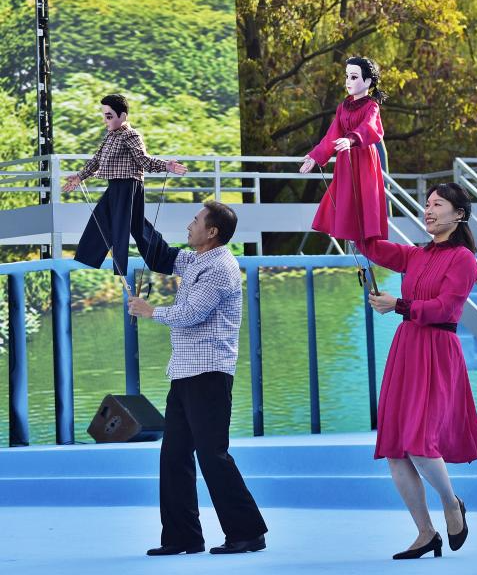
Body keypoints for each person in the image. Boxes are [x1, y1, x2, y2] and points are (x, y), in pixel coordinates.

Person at [354, 183, 477, 560]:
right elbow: (371, 247)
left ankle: (451, 503)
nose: (428, 210)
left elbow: (446, 308)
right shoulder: (415, 254)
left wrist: (398, 304)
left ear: (458, 214)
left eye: (437, 204)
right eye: (426, 204)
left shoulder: (464, 260)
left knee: (420, 441)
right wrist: (354, 215)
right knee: (396, 448)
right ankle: (425, 532)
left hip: (437, 350)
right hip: (407, 347)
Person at [127, 201, 268, 556]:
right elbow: (160, 255)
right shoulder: (195, 260)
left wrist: (150, 311)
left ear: (212, 232)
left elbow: (192, 313)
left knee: (212, 455)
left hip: (209, 374)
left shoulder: (220, 267)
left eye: (195, 220)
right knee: (173, 456)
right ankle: (183, 537)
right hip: (185, 372)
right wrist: (131, 214)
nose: (189, 225)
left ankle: (248, 532)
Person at [62, 94, 187, 276]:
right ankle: (162, 258)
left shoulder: (131, 135)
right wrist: (80, 177)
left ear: (123, 116)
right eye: (104, 116)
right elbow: (97, 159)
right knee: (115, 223)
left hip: (128, 186)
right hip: (115, 186)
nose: (105, 120)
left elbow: (144, 160)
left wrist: (166, 165)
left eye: (109, 116)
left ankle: (131, 265)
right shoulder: (110, 136)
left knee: (121, 227)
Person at [299, 56, 388, 242]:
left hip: (363, 156)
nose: (348, 81)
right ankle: (351, 235)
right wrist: (315, 156)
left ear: (368, 81)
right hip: (345, 159)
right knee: (344, 196)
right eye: (347, 76)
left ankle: (367, 240)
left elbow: (369, 127)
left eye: (354, 77)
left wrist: (351, 139)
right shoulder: (343, 107)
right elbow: (332, 134)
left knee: (365, 195)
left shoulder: (371, 106)